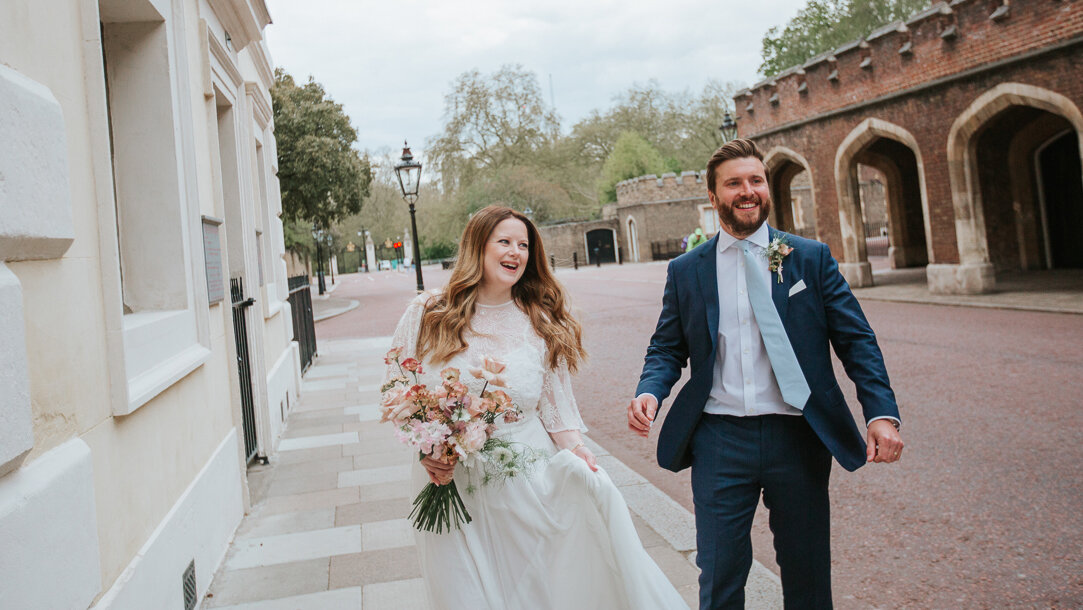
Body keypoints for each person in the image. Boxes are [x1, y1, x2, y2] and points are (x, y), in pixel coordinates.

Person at [627, 139, 904, 609]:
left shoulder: (809, 258)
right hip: (718, 438)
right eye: (734, 183)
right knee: (719, 573)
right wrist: (650, 389)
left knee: (808, 573)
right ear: (713, 198)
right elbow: (667, 346)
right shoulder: (686, 269)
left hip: (797, 435)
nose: (748, 190)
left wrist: (881, 413)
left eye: (755, 180)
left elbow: (857, 341)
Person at [387, 205, 687, 610]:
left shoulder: (540, 321)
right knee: (464, 592)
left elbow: (555, 408)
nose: (516, 252)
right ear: (478, 246)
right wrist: (428, 449)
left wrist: (578, 452)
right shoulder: (428, 313)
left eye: (524, 245)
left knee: (533, 589)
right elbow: (397, 387)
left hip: (525, 480)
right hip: (449, 480)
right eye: (505, 242)